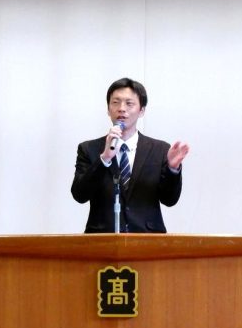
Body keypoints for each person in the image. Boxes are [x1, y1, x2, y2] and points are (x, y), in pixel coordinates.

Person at [71, 77, 190, 233]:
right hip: (102, 238)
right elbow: (79, 195)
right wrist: (105, 158)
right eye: (115, 102)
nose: (121, 108)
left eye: (129, 103)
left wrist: (172, 169)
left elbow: (169, 200)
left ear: (141, 111)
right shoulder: (89, 149)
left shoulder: (160, 150)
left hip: (147, 239)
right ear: (108, 109)